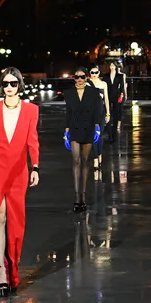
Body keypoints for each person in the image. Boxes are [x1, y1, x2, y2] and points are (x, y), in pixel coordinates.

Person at [0, 66, 40, 298]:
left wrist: (35, 166)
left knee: (16, 223)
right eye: (5, 83)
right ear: (1, 86)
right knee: (0, 216)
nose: (9, 87)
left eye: (13, 83)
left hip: (19, 171)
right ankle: (2, 273)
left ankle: (14, 270)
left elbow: (33, 141)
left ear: (20, 85)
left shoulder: (31, 110)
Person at [65, 67, 102, 213]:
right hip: (74, 128)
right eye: (77, 77)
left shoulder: (93, 93)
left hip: (88, 128)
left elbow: (97, 111)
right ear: (74, 78)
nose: (79, 79)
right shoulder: (69, 94)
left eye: (82, 77)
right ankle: (76, 198)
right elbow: (68, 113)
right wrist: (66, 131)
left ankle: (84, 198)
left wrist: (97, 127)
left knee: (86, 161)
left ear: (86, 77)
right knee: (76, 161)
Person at [87, 65, 110, 168]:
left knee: (99, 135)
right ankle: (96, 158)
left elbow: (106, 99)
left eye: (96, 72)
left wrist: (108, 113)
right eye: (92, 73)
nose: (94, 75)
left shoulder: (103, 84)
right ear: (90, 74)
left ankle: (100, 154)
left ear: (99, 73)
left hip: (101, 112)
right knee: (93, 136)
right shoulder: (87, 84)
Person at [107, 60, 127, 133]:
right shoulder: (106, 76)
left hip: (117, 95)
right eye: (110, 66)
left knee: (117, 111)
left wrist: (122, 94)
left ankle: (117, 125)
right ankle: (108, 124)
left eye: (113, 65)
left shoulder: (121, 75)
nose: (112, 67)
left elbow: (122, 85)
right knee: (108, 110)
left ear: (116, 67)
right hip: (108, 95)